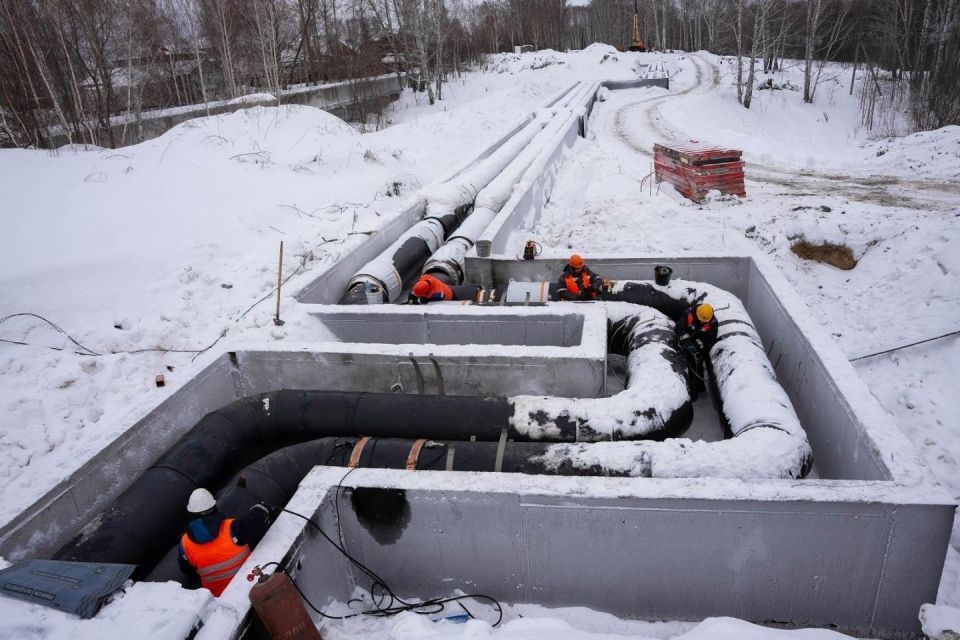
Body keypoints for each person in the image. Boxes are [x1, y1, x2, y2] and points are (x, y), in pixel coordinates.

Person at [178, 488, 274, 596]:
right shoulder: (232, 529)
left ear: (192, 513)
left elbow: (187, 570)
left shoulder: (184, 544)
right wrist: (260, 507)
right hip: (248, 585)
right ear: (214, 507)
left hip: (219, 598)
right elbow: (256, 522)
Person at [676, 303, 718, 397]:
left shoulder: (712, 322)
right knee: (688, 363)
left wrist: (698, 346)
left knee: (697, 364)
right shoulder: (688, 314)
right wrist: (685, 339)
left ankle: (697, 389)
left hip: (699, 345)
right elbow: (679, 327)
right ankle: (691, 388)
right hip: (687, 341)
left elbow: (710, 338)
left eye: (704, 321)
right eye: (701, 320)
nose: (703, 323)